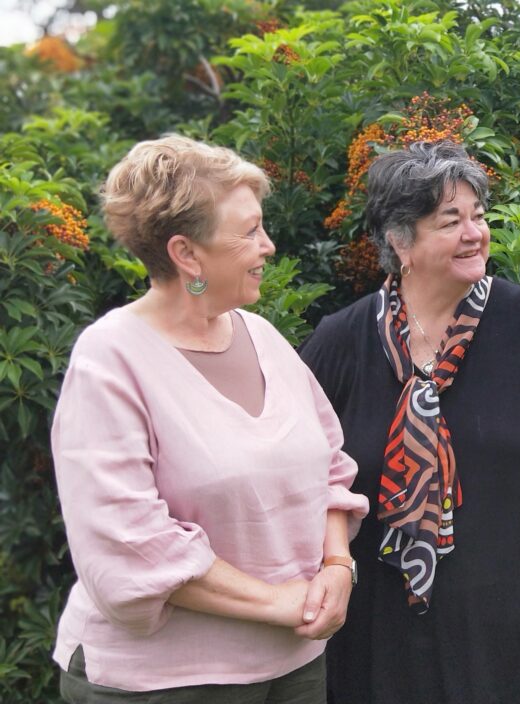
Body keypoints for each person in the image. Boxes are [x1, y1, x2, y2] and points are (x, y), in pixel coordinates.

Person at [300, 140, 520, 703]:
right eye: (450, 221)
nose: (475, 232)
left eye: (479, 215)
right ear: (400, 242)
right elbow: (308, 472)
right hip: (389, 625)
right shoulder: (341, 342)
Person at [51, 135, 369, 703]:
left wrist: (338, 565)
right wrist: (284, 603)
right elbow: (129, 544)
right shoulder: (110, 359)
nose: (269, 245)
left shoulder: (264, 338)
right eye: (248, 232)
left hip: (295, 666)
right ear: (187, 254)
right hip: (165, 683)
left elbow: (330, 471)